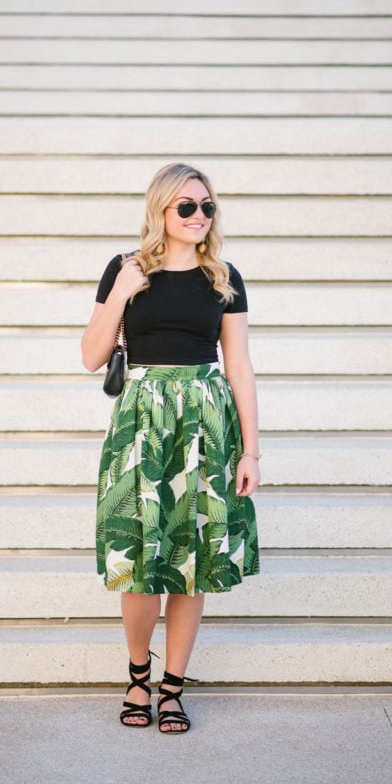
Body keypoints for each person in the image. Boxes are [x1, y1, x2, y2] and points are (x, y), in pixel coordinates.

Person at [81, 162, 260, 734]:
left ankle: (174, 688)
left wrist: (251, 451)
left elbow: (239, 365)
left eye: (207, 206)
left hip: (207, 422)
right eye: (187, 206)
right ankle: (138, 676)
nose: (199, 216)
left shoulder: (223, 276)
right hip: (141, 423)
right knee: (137, 558)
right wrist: (121, 295)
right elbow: (90, 355)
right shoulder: (125, 268)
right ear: (161, 209)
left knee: (194, 560)